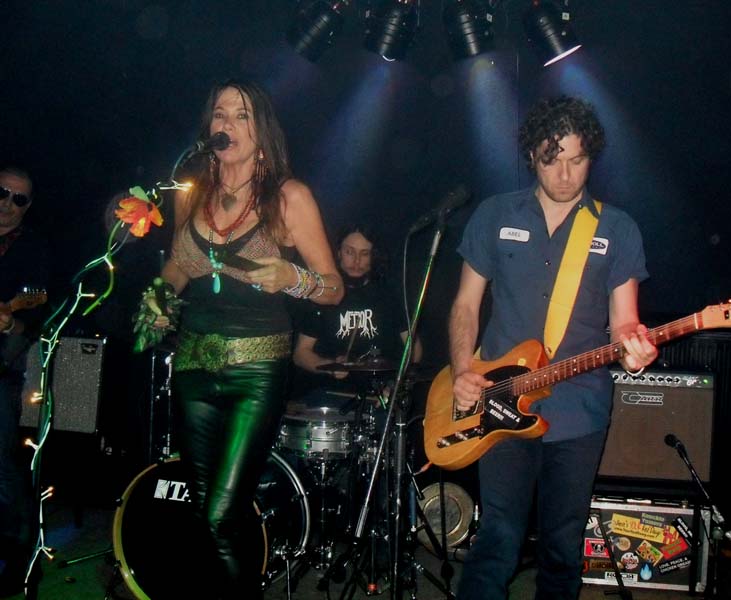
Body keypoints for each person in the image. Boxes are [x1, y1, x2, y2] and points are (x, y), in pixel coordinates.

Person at [447, 96, 658, 600]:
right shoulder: (495, 214)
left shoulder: (616, 228)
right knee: (497, 535)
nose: (564, 174)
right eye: (551, 159)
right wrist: (461, 369)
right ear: (531, 156)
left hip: (579, 408)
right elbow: (465, 306)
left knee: (563, 546)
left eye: (577, 160)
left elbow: (625, 322)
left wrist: (634, 349)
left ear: (592, 157)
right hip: (501, 401)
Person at [146, 79, 343, 599]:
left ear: (262, 131)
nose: (227, 123)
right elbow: (179, 265)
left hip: (255, 371)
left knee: (220, 514)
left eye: (241, 115)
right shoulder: (193, 193)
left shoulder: (289, 197)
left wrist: (293, 278)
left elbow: (333, 287)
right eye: (220, 114)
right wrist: (159, 297)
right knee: (202, 511)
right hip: (192, 365)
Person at [292, 223, 422, 408]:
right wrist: (330, 366)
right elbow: (301, 353)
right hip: (329, 395)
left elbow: (413, 348)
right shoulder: (323, 294)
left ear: (374, 256)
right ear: (338, 252)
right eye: (349, 252)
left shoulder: (389, 296)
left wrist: (396, 385)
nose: (356, 261)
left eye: (364, 253)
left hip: (378, 396)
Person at [0, 167, 49, 596]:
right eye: (2, 193)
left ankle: (19, 558)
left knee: (3, 465)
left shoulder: (33, 248)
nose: (8, 204)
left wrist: (10, 318)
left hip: (4, 364)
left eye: (19, 199)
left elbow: (38, 308)